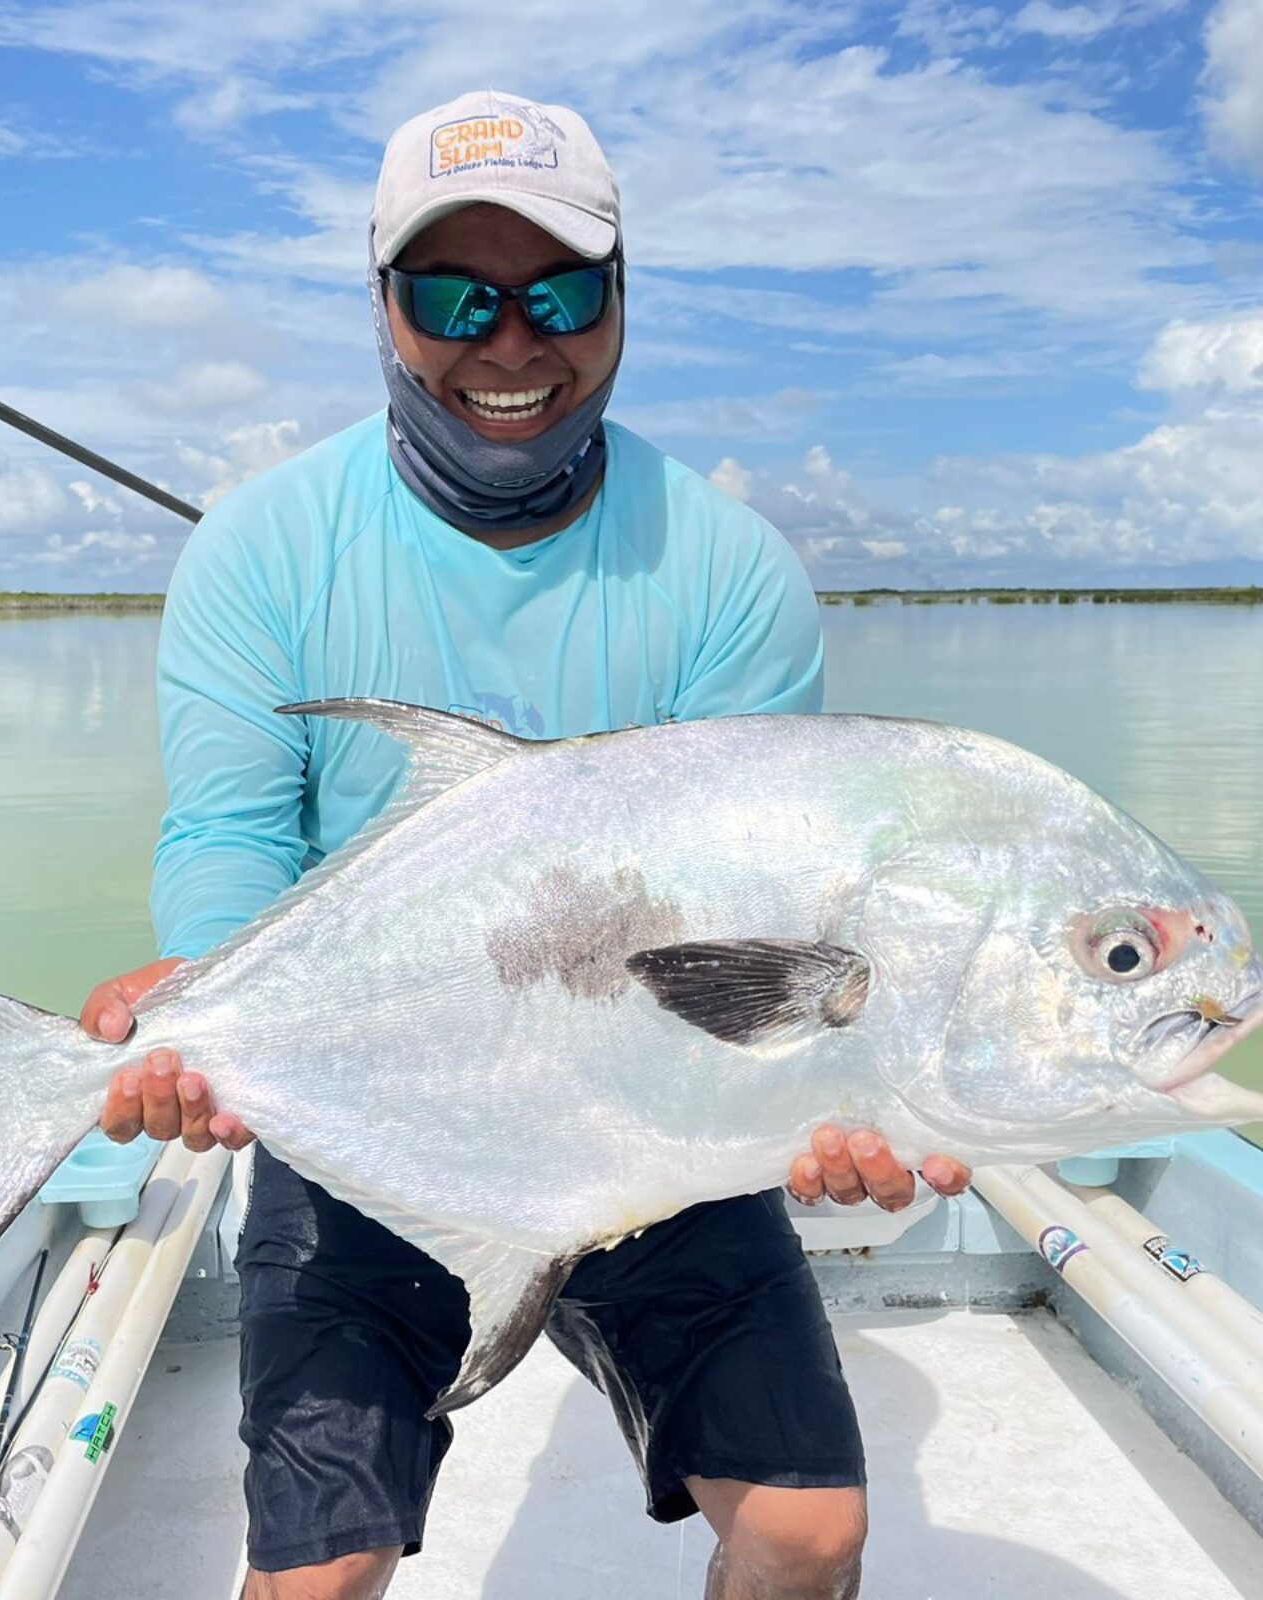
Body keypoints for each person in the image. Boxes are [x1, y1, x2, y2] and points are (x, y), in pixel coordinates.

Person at [83, 90, 973, 1600]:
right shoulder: (259, 549)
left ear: (622, 299)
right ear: (383, 304)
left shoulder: (729, 568)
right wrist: (206, 1006)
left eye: (561, 291)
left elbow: (759, 929)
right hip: (378, 1102)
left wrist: (842, 1092)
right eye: (455, 295)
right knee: (316, 1573)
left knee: (810, 1536)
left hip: (661, 1119)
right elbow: (232, 836)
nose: (511, 343)